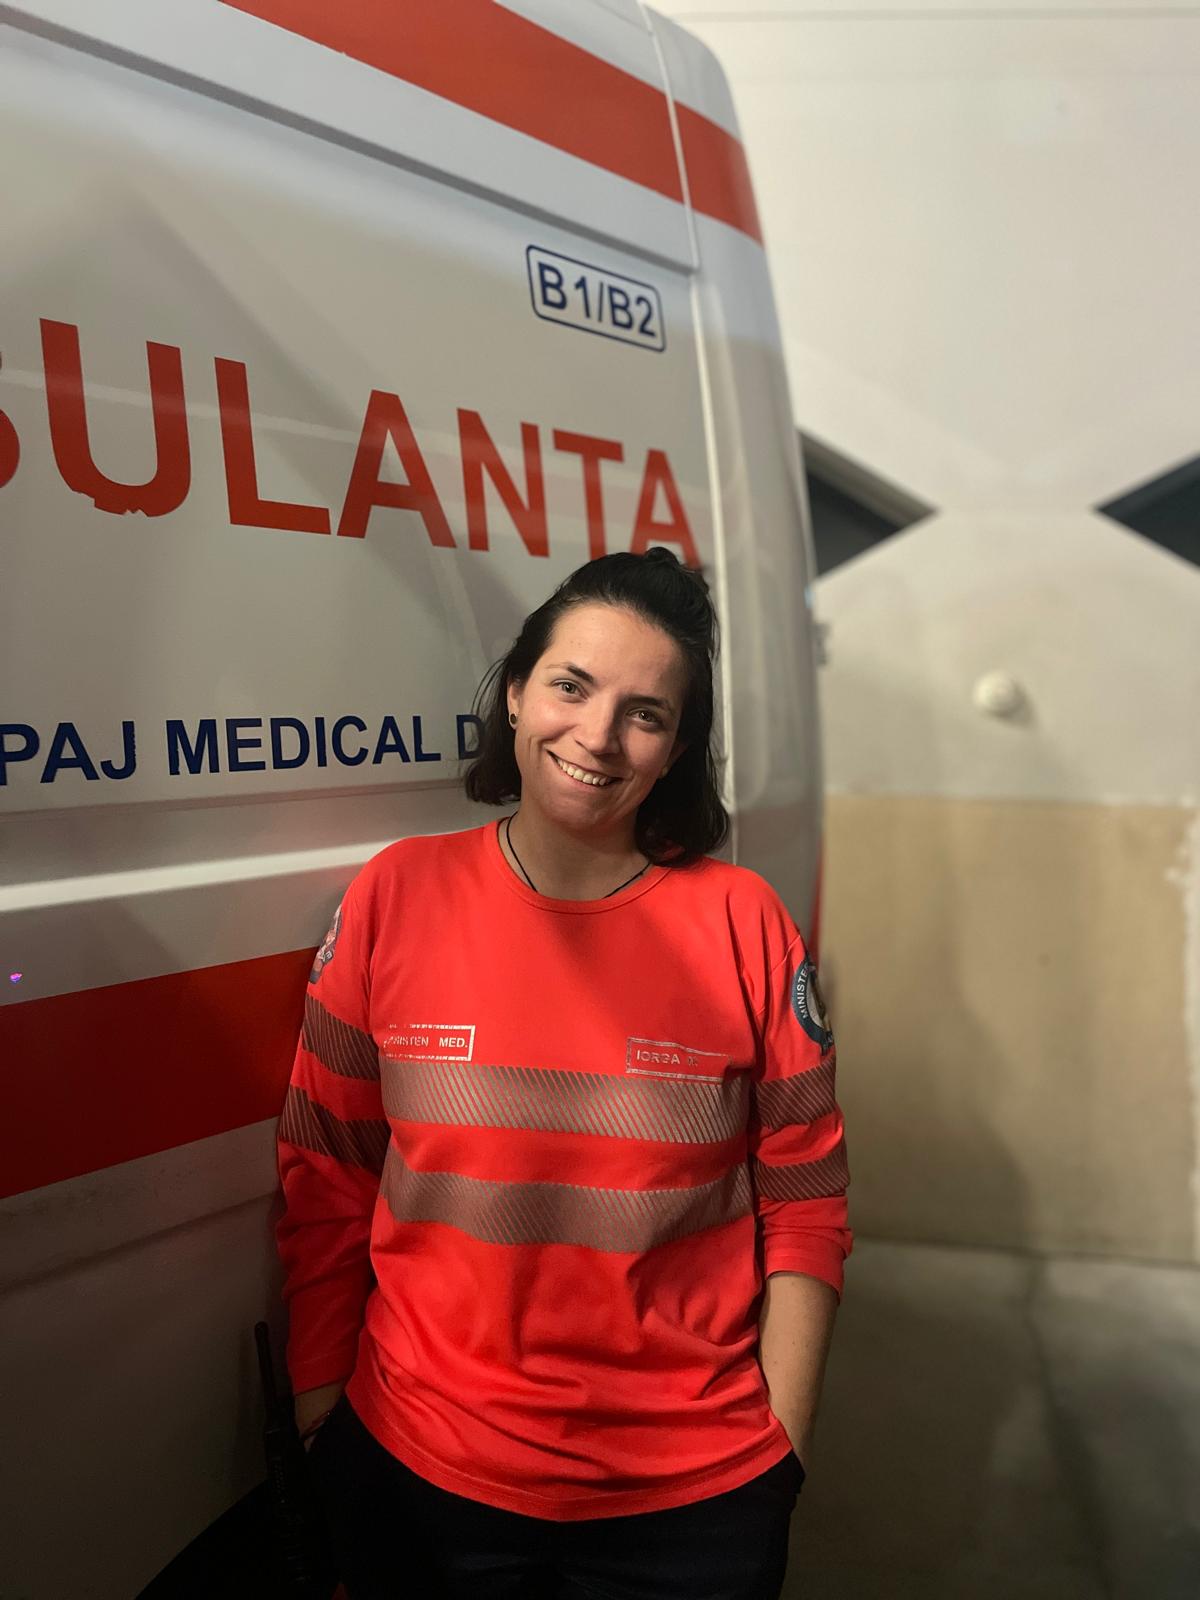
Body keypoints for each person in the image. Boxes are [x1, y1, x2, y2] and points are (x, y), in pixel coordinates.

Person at [277, 547, 851, 1600]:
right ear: (514, 692)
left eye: (646, 713)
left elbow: (806, 1198)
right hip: (415, 1481)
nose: (597, 734)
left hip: (693, 1507)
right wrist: (321, 1406)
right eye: (571, 685)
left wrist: (783, 1454)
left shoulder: (744, 923)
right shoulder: (396, 895)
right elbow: (328, 1170)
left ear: (677, 749)